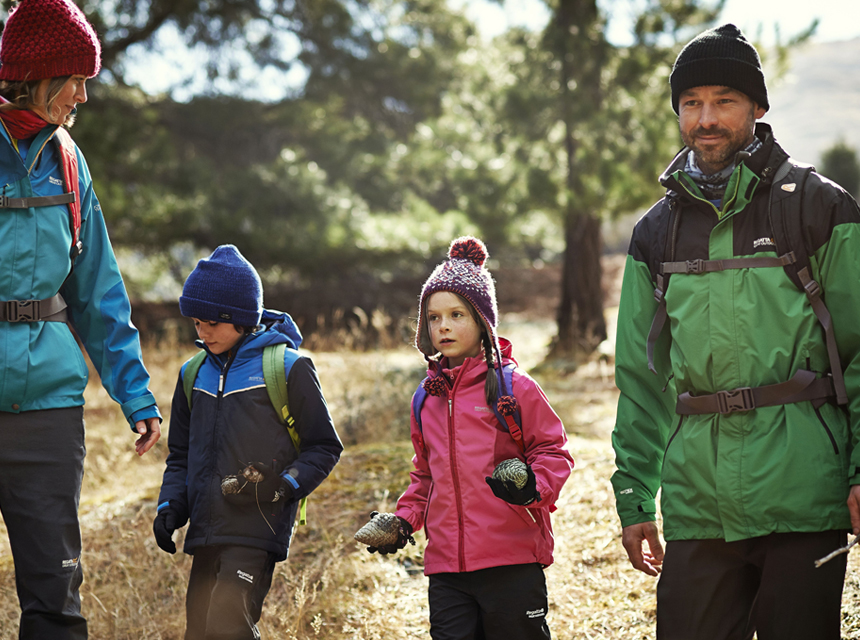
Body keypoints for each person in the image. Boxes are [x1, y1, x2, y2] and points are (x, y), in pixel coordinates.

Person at [610, 23, 860, 640]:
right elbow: (642, 376)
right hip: (699, 504)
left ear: (758, 107)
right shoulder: (655, 233)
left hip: (803, 493)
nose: (705, 118)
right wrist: (637, 493)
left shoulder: (820, 208)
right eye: (691, 103)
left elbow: (859, 351)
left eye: (723, 100)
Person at [0, 1, 162, 637]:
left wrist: (135, 393)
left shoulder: (69, 160)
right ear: (38, 77)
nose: (84, 96)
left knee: (55, 598)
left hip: (48, 409)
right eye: (76, 79)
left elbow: (98, 291)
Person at [365, 236, 573, 639]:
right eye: (433, 317)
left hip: (510, 560)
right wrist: (404, 521)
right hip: (447, 570)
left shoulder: (515, 388)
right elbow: (425, 476)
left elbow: (553, 451)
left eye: (457, 314)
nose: (443, 325)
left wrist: (532, 486)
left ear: (482, 321)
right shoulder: (425, 398)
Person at [154, 244, 343, 640]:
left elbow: (324, 447)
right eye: (196, 324)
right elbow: (180, 455)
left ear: (240, 319)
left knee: (228, 625)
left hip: (257, 526)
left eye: (211, 324)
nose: (202, 334)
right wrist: (171, 505)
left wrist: (284, 486)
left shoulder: (289, 367)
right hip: (205, 530)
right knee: (200, 632)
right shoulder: (193, 374)